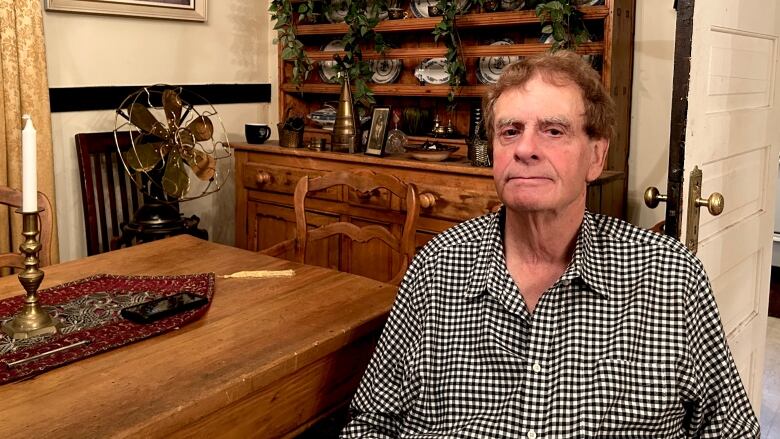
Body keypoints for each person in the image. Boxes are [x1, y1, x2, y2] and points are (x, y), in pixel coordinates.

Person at [340, 51, 759, 438]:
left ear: (596, 156)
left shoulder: (671, 278)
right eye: (510, 131)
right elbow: (371, 421)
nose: (525, 148)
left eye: (553, 130)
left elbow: (732, 429)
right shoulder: (437, 266)